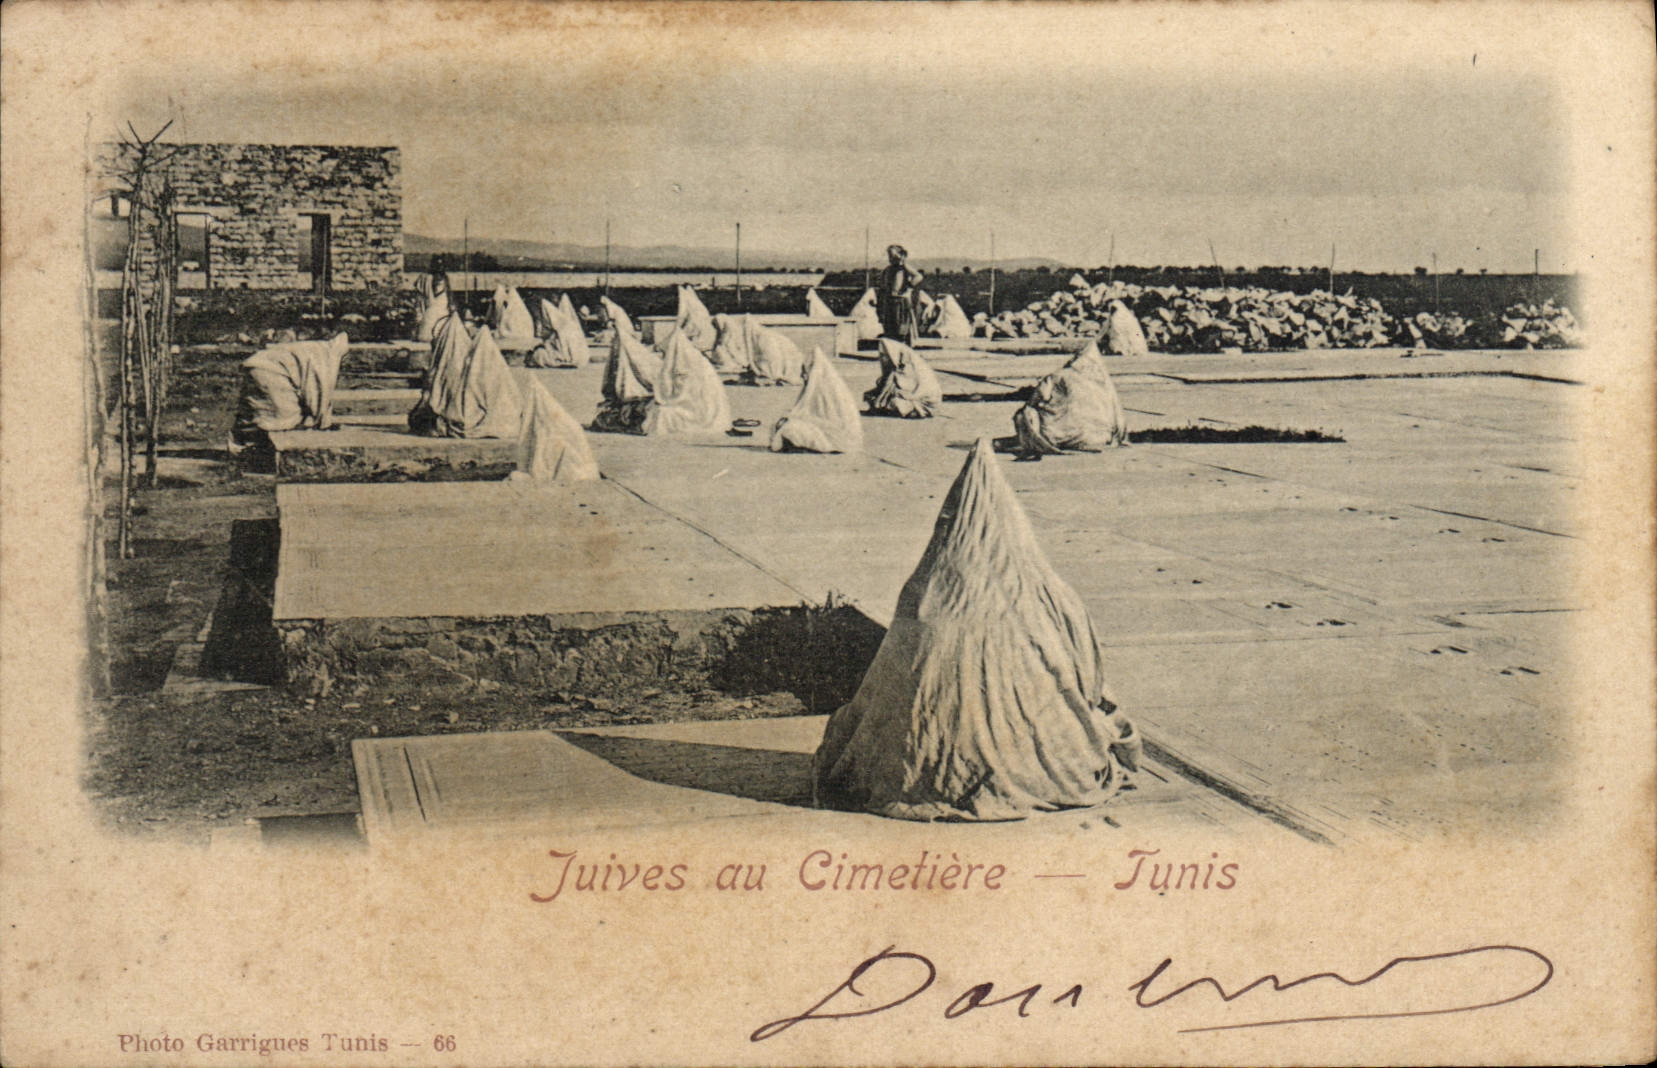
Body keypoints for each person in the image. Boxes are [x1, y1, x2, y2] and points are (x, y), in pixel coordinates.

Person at [877, 244, 925, 344]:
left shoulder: (904, 268)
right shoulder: (888, 269)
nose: (890, 258)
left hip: (900, 301)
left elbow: (918, 276)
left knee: (901, 327)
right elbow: (882, 284)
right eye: (889, 255)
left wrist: (909, 287)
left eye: (893, 255)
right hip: (889, 300)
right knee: (890, 328)